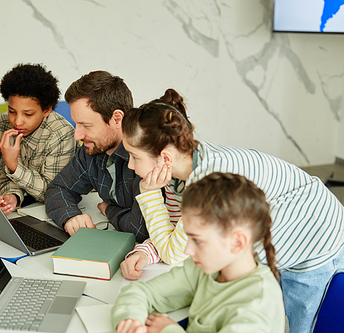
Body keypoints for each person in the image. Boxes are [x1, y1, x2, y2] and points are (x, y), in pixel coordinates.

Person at [119, 88, 344, 333]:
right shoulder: (184, 166)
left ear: (165, 157)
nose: (130, 165)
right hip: (290, 224)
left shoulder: (208, 179)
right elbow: (179, 234)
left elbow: (175, 251)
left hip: (314, 235)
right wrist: (147, 250)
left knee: (299, 326)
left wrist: (150, 195)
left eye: (133, 156)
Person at [112, 172, 285, 333]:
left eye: (197, 240)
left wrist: (168, 330)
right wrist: (130, 320)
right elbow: (141, 292)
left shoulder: (258, 306)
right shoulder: (207, 267)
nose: (188, 250)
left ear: (237, 242)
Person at [44, 71, 148, 243]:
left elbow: (140, 229)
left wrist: (108, 210)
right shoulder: (93, 150)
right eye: (76, 124)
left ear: (117, 119)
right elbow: (58, 188)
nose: (77, 135)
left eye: (85, 125)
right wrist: (70, 217)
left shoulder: (146, 156)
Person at [0, 63, 76, 215]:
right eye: (12, 111)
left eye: (28, 114)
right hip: (26, 210)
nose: (17, 121)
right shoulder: (2, 123)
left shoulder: (61, 133)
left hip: (59, 211)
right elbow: (4, 177)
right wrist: (12, 197)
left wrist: (14, 166)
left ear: (46, 110)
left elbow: (53, 193)